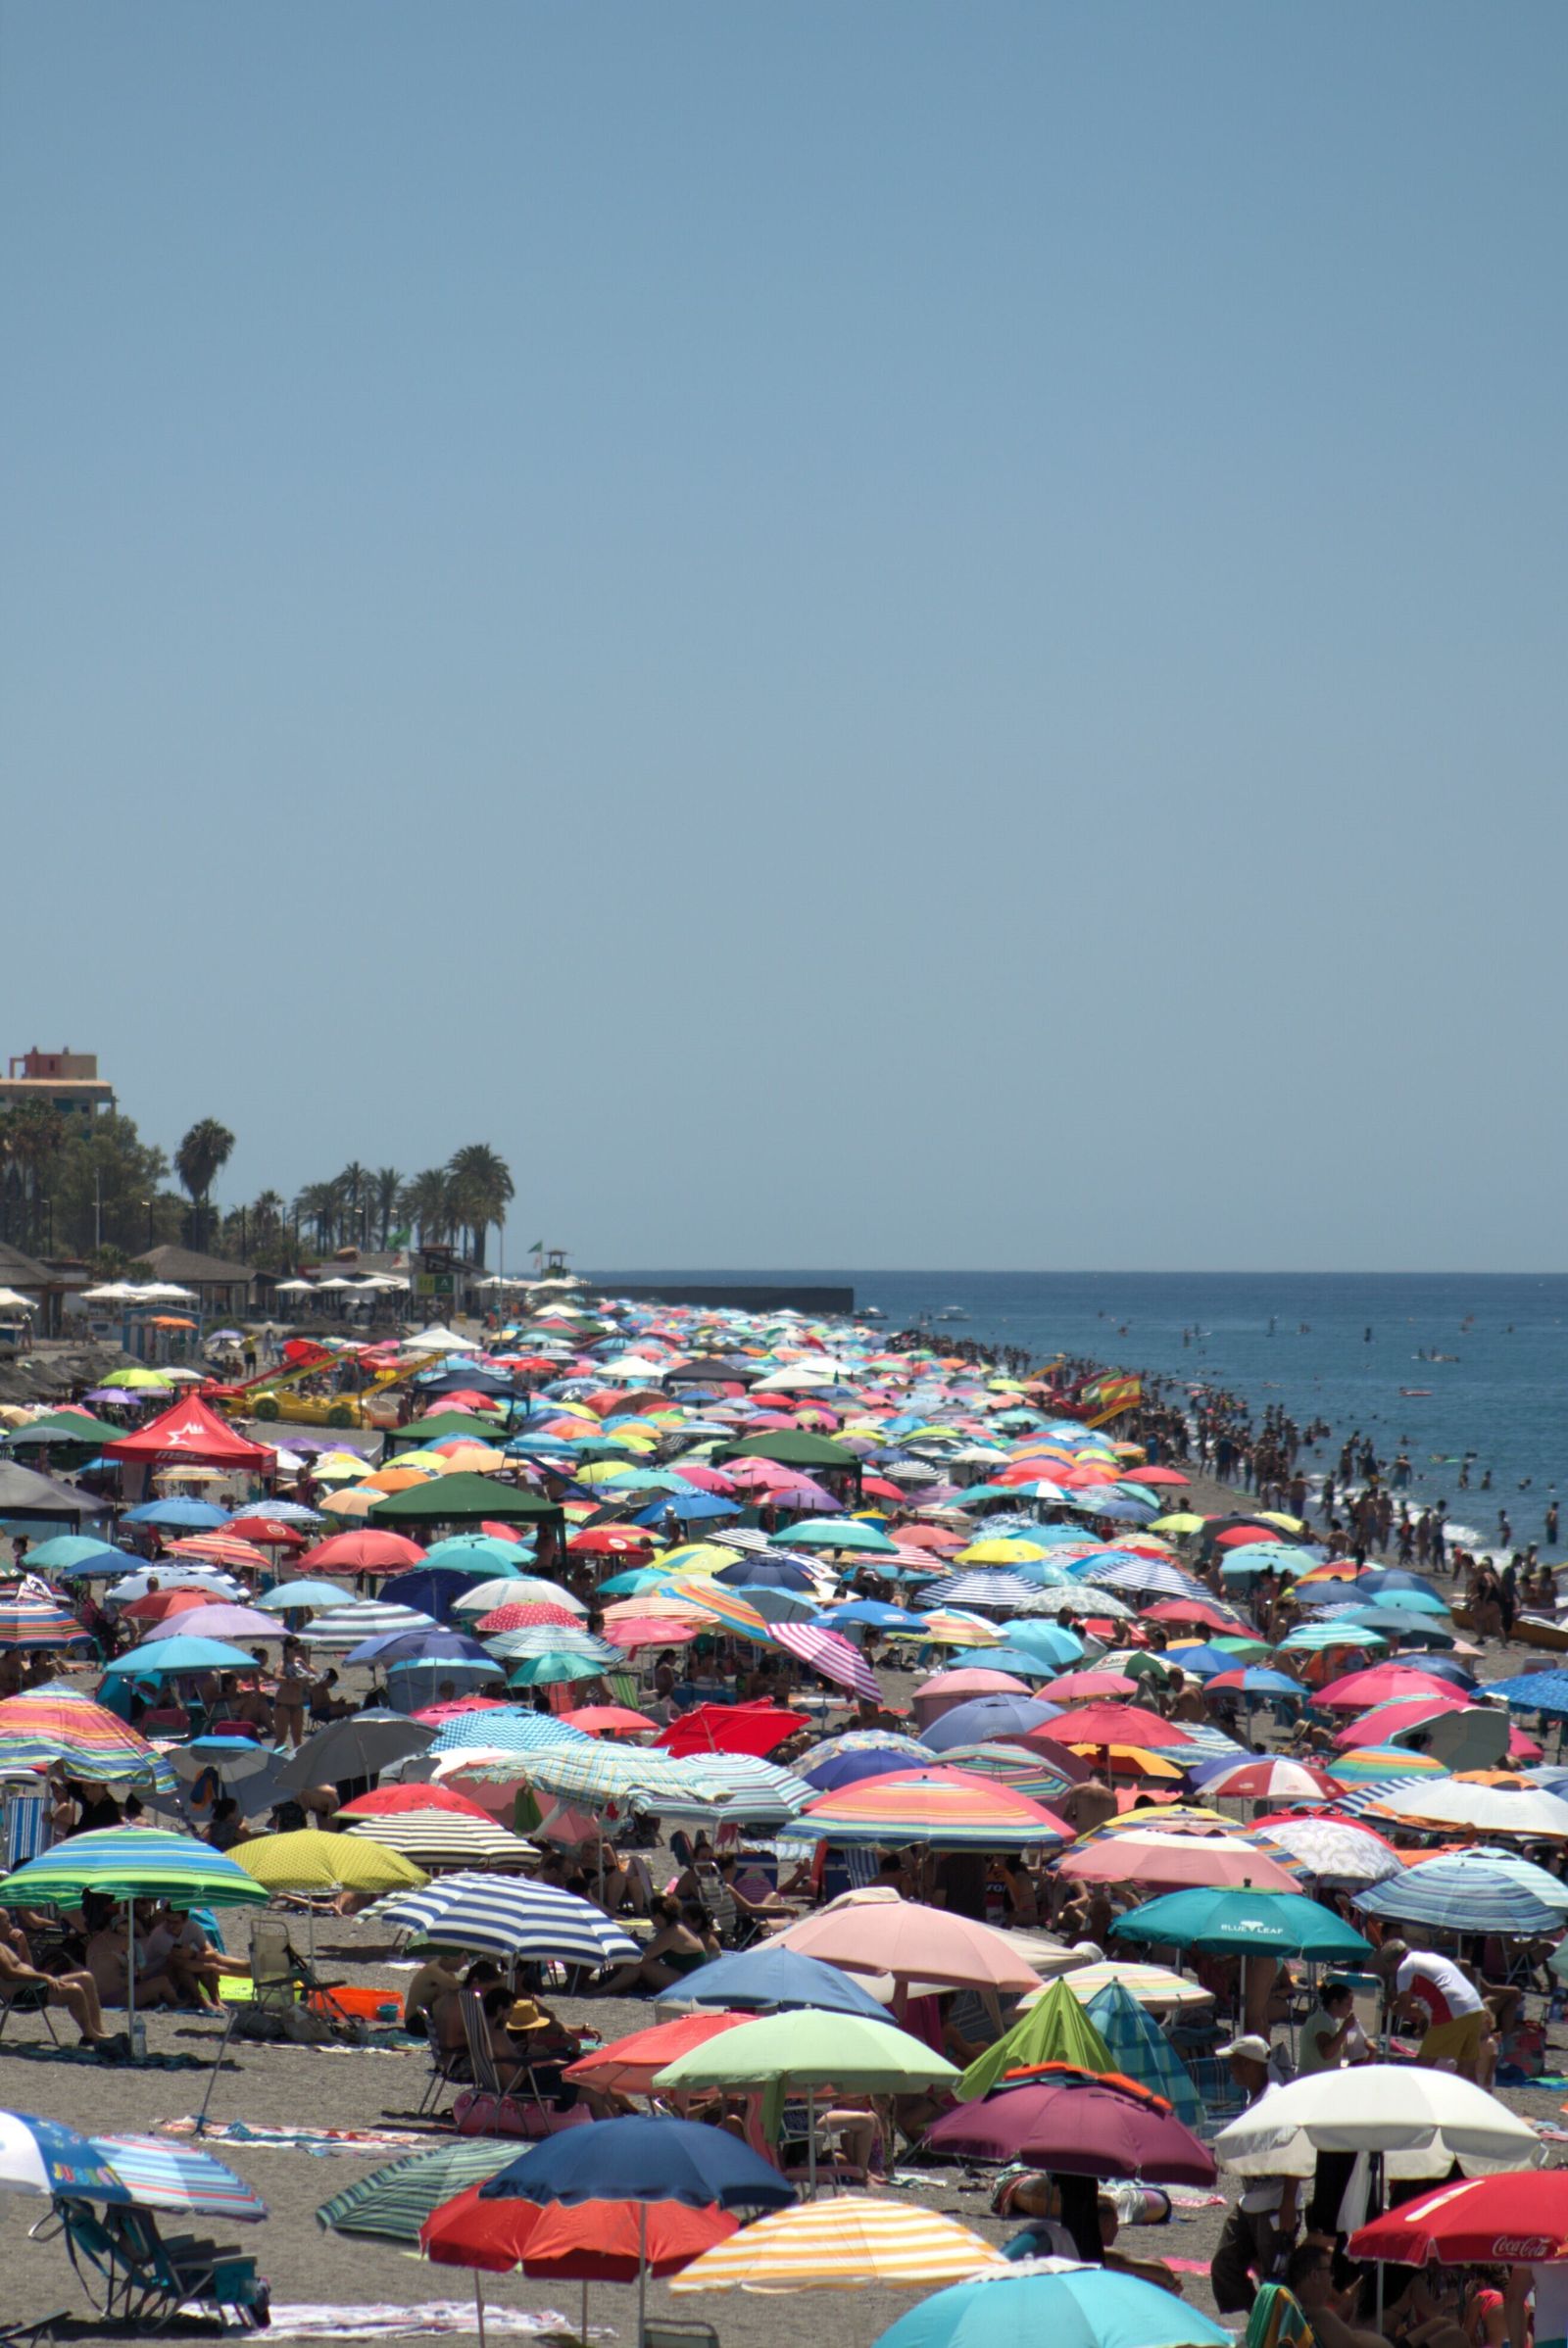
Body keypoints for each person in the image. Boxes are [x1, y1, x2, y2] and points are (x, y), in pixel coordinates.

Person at [1209, 2035, 1299, 2314]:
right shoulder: (1255, 2098)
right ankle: (1257, 2320)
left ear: (1249, 2064)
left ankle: (1279, 2328)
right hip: (1253, 2200)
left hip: (1274, 2202)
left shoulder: (1275, 2101)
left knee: (1276, 2278)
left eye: (1235, 2063)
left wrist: (1288, 2202)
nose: (1231, 2070)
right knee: (1225, 2263)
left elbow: (1293, 2151)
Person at [0, 1914, 124, 2056]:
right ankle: (89, 2034)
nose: (11, 1926)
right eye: (7, 1922)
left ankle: (98, 2031)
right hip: (22, 1995)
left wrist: (23, 1944)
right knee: (74, 1991)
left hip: (33, 1987)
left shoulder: (3, 1946)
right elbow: (9, 1974)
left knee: (86, 1978)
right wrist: (45, 1977)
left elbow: (28, 1967)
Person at [1376, 1939, 1497, 2085]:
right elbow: (1425, 2008)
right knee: (1467, 2068)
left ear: (1392, 1962)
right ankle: (1474, 2098)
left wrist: (1391, 2005)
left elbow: (1404, 2009)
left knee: (1423, 2065)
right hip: (1475, 2008)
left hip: (1450, 2011)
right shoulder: (1432, 1958)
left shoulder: (1405, 1968)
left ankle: (1414, 2097)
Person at [598, 1897, 710, 1994]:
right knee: (637, 1964)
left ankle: (602, 1991)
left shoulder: (672, 1932)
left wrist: (630, 1946)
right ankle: (609, 1985)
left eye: (651, 1915)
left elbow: (641, 1958)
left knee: (639, 1965)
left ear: (658, 1916)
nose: (650, 1919)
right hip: (689, 1978)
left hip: (689, 1982)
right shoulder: (676, 1927)